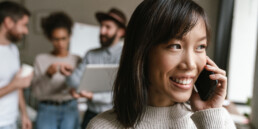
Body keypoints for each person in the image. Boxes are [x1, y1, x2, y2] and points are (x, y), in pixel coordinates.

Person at [86, 0, 236, 128]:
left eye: (200, 47)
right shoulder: (102, 126)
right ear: (142, 52)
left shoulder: (217, 120)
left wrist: (209, 116)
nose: (190, 64)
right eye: (175, 46)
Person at [64, 8, 126, 129]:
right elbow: (75, 82)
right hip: (90, 114)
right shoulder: (90, 54)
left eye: (108, 27)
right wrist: (69, 75)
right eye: (101, 26)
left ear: (121, 32)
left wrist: (92, 96)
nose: (102, 31)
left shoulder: (127, 56)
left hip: (116, 115)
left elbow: (123, 92)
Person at [31, 12, 80, 129]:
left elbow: (81, 88)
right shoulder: (40, 59)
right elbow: (36, 92)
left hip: (70, 108)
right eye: (56, 39)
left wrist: (72, 76)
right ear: (49, 38)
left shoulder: (77, 59)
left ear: (70, 36)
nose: (60, 43)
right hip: (46, 109)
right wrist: (47, 75)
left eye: (64, 38)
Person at [0, 1, 32, 129]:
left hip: (11, 122)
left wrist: (24, 114)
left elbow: (18, 87)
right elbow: (16, 84)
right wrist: (15, 84)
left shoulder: (13, 49)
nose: (26, 31)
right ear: (8, 22)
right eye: (23, 25)